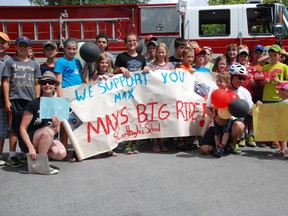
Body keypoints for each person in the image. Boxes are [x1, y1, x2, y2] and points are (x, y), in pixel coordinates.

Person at [2, 35, 41, 167]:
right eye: (21, 45)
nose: (23, 48)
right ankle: (12, 155)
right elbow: (6, 81)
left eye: (26, 46)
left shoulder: (35, 64)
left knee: (29, 127)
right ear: (16, 47)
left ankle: (25, 152)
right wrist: (7, 100)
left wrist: (37, 100)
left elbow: (37, 83)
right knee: (15, 127)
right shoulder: (10, 62)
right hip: (15, 99)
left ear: (30, 48)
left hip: (30, 101)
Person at [199, 64, 254, 155]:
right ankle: (218, 147)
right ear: (231, 77)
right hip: (218, 121)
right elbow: (208, 108)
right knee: (204, 149)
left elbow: (250, 111)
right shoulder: (216, 90)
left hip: (233, 123)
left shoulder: (244, 92)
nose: (242, 81)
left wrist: (260, 108)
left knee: (239, 126)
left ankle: (231, 144)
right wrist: (215, 117)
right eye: (239, 78)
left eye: (244, 79)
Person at [20, 71, 66, 174]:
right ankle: (41, 164)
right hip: (31, 138)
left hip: (47, 136)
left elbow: (56, 131)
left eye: (50, 83)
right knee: (48, 131)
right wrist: (30, 148)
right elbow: (22, 129)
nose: (47, 85)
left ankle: (38, 155)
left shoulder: (59, 104)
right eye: (44, 83)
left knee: (61, 153)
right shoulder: (33, 104)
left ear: (55, 86)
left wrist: (55, 126)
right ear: (41, 85)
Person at [114, 33, 149, 154]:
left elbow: (145, 74)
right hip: (125, 93)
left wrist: (147, 69)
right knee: (127, 117)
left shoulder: (141, 58)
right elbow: (114, 73)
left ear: (138, 42)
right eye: (129, 41)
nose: (132, 43)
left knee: (136, 117)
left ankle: (135, 142)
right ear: (125, 43)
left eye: (134, 40)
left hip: (138, 93)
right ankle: (127, 143)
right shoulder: (121, 56)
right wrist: (121, 69)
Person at [54, 38, 83, 160]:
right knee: (65, 125)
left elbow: (81, 77)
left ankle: (78, 149)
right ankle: (64, 150)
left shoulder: (77, 61)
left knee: (77, 123)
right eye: (69, 49)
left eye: (74, 49)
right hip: (65, 96)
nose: (72, 51)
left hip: (78, 96)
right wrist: (61, 99)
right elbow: (58, 82)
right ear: (64, 49)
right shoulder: (60, 62)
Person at [147, 42, 175, 152]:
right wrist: (147, 69)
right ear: (156, 52)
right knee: (154, 118)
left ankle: (162, 140)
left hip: (166, 97)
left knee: (163, 119)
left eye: (163, 52)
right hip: (154, 96)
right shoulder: (151, 65)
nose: (161, 54)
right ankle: (155, 141)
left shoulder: (170, 66)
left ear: (166, 53)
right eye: (159, 52)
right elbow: (146, 74)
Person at [259, 44, 288, 149]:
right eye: (270, 55)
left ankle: (283, 148)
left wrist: (280, 81)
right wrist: (264, 81)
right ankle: (269, 141)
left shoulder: (284, 67)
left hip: (279, 98)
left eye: (274, 55)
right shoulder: (266, 67)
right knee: (268, 122)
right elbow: (260, 83)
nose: (272, 57)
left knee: (280, 124)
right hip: (267, 97)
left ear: (279, 55)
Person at [211, 73, 234, 158]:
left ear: (227, 82)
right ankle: (217, 147)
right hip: (217, 115)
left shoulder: (230, 93)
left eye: (221, 81)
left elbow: (232, 105)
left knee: (226, 131)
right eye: (217, 81)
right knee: (216, 132)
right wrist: (217, 108)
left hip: (228, 116)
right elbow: (212, 104)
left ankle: (222, 146)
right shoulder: (215, 92)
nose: (219, 83)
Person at [0, 32, 10, 165]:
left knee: (1, 129)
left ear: (8, 45)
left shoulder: (10, 61)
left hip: (3, 99)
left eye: (3, 42)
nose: (0, 45)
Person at [273, 82, 288, 156]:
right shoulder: (282, 102)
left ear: (286, 92)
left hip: (284, 122)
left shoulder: (284, 103)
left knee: (282, 135)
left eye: (280, 90)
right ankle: (283, 149)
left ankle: (283, 149)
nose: (278, 92)